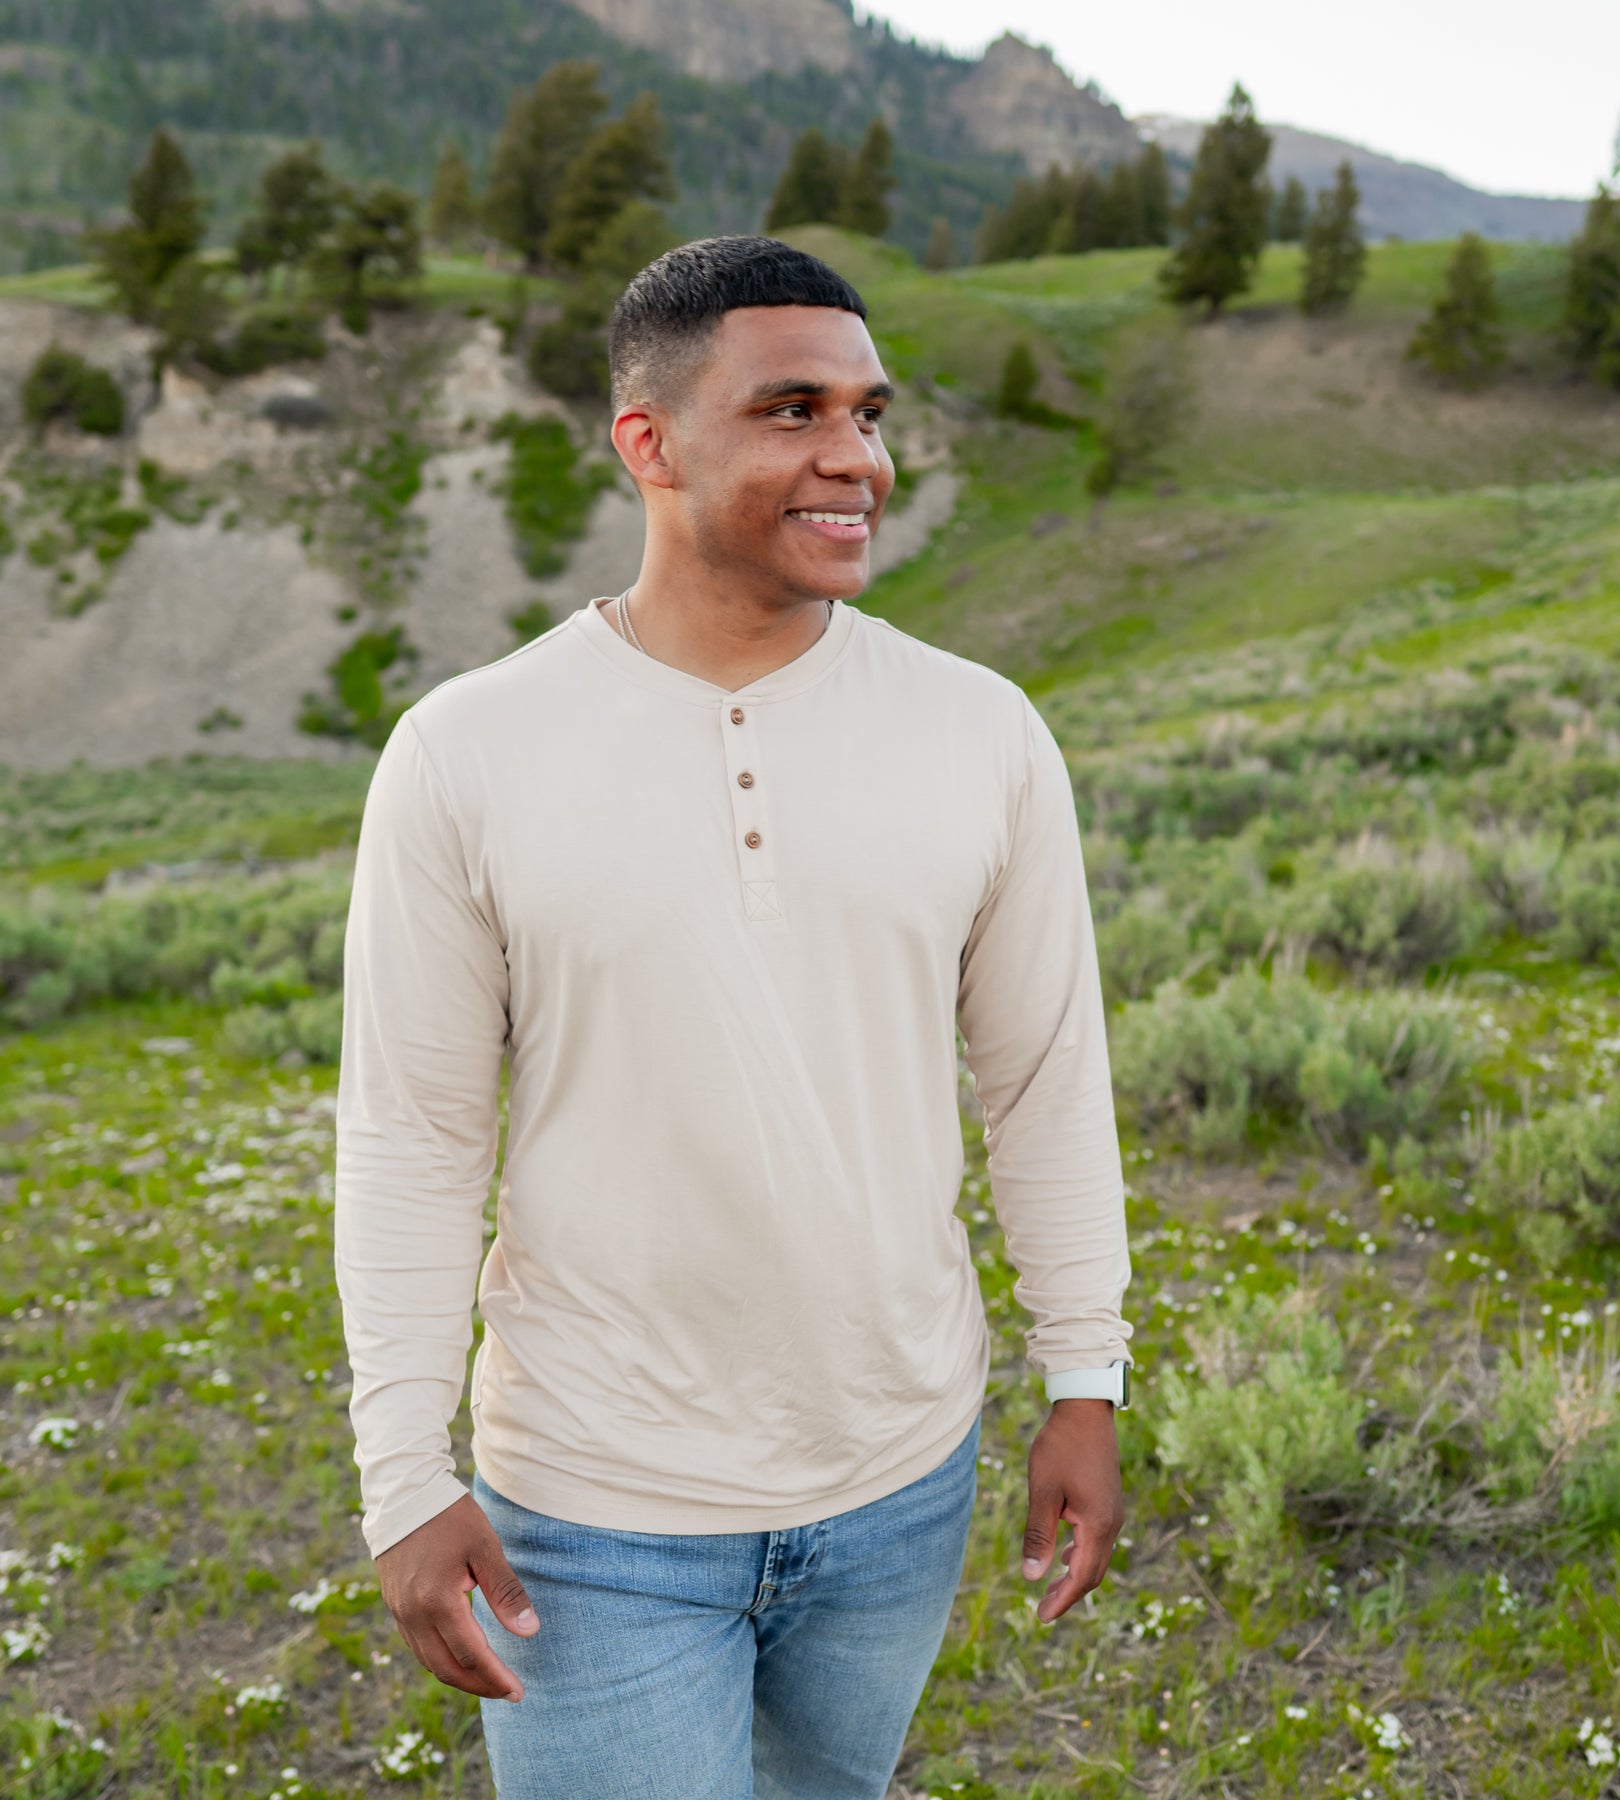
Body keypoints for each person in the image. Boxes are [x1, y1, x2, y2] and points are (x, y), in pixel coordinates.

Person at [333, 235, 1133, 1800]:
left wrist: (1082, 1379)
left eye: (869, 412)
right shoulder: (465, 753)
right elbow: (416, 1134)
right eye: (791, 412)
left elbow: (1043, 1078)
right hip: (593, 1502)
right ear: (649, 442)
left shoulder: (982, 731)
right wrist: (400, 1476)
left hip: (898, 1481)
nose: (855, 458)